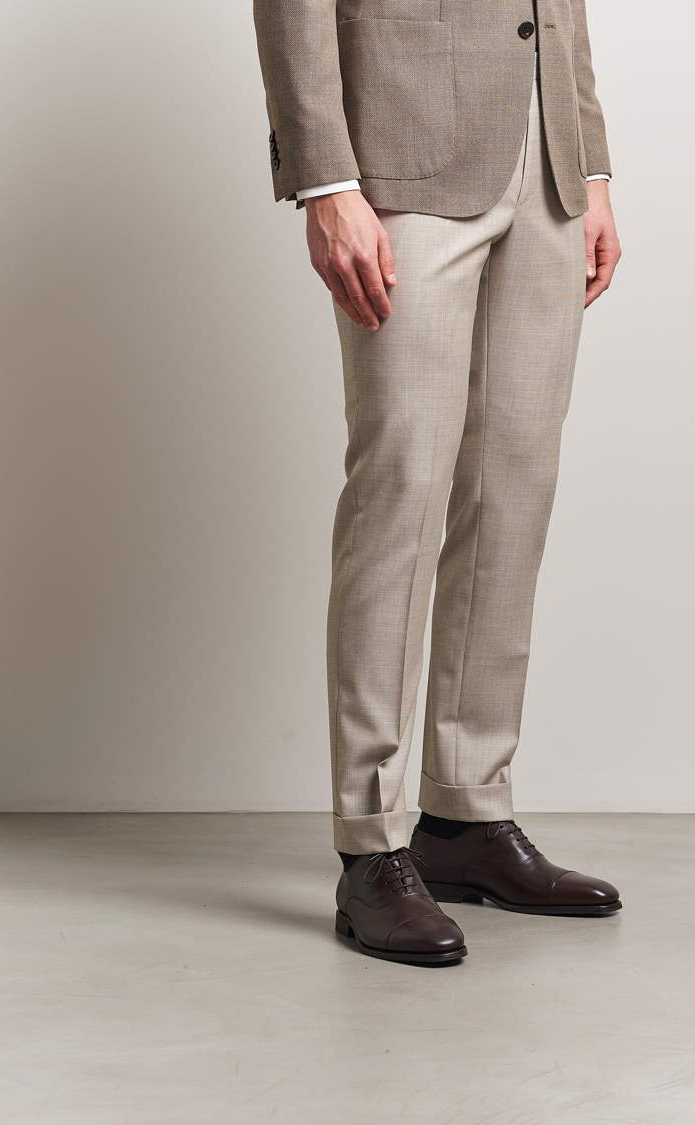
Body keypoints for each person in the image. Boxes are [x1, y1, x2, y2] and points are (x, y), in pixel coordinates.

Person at [254, 0, 623, 964]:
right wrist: (326, 180)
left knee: (513, 495)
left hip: (545, 168)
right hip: (401, 159)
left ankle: (466, 814)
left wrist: (589, 165)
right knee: (401, 494)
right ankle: (370, 841)